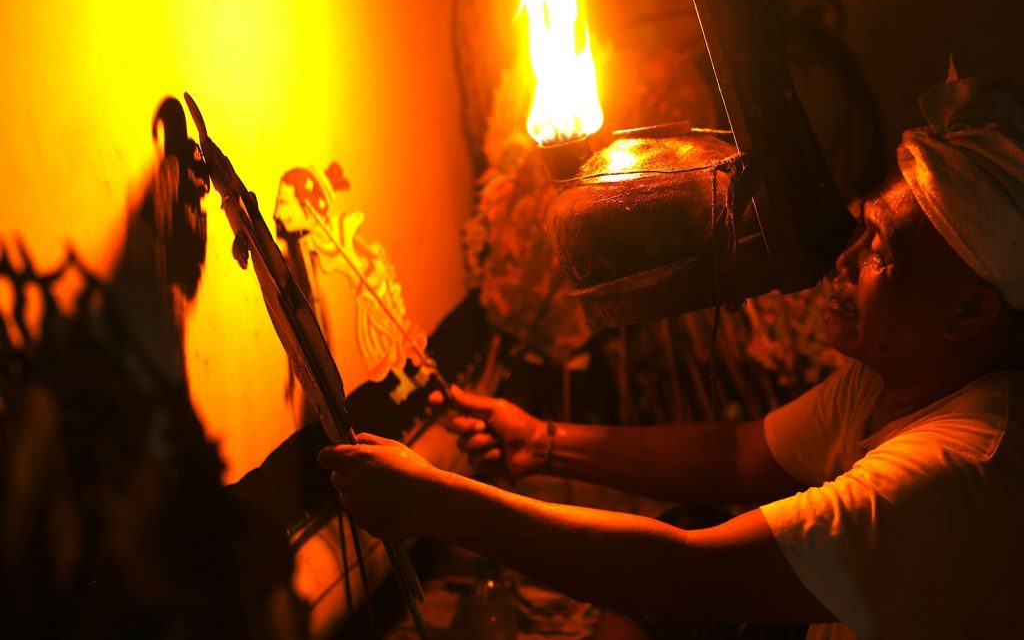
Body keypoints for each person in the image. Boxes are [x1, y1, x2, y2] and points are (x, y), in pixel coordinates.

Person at [318, 73, 1024, 639]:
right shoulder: (895, 380)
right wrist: (545, 441)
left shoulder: (959, 466)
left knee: (677, 565)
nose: (845, 259)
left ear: (969, 310)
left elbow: (680, 574)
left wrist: (437, 503)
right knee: (693, 520)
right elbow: (738, 454)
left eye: (881, 251)